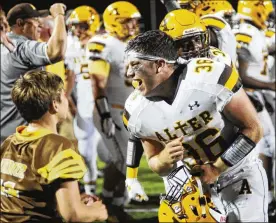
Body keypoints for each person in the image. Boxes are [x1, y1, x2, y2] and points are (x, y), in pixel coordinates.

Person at [123, 29, 268, 222]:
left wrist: (216, 168)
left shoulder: (210, 76)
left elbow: (253, 128)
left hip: (237, 172)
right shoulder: (135, 109)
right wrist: (164, 159)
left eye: (135, 65)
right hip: (187, 185)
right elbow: (155, 162)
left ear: (159, 65)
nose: (128, 73)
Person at [0, 70, 108, 222]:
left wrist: (73, 198)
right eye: (64, 95)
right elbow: (73, 215)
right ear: (54, 104)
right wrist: (97, 211)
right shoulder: (58, 147)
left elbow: (28, 196)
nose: (67, 98)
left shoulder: (10, 142)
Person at [86, 1, 145, 221]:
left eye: (134, 21)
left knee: (128, 160)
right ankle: (109, 202)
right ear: (113, 21)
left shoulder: (134, 44)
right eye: (126, 21)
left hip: (130, 111)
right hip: (111, 110)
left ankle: (118, 203)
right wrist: (104, 114)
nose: (131, 25)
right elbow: (97, 83)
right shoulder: (103, 44)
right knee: (123, 161)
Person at [1, 3, 67, 143]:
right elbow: (56, 51)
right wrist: (59, 15)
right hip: (22, 134)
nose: (40, 25)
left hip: (6, 128)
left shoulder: (4, 44)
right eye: (35, 21)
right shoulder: (19, 46)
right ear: (20, 24)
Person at [65, 5, 102, 195]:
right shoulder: (70, 48)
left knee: (113, 155)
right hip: (84, 108)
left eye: (82, 25)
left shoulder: (104, 44)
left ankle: (123, 193)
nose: (78, 30)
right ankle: (90, 193)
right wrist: (68, 102)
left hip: (105, 107)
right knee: (86, 154)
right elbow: (70, 78)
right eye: (75, 26)